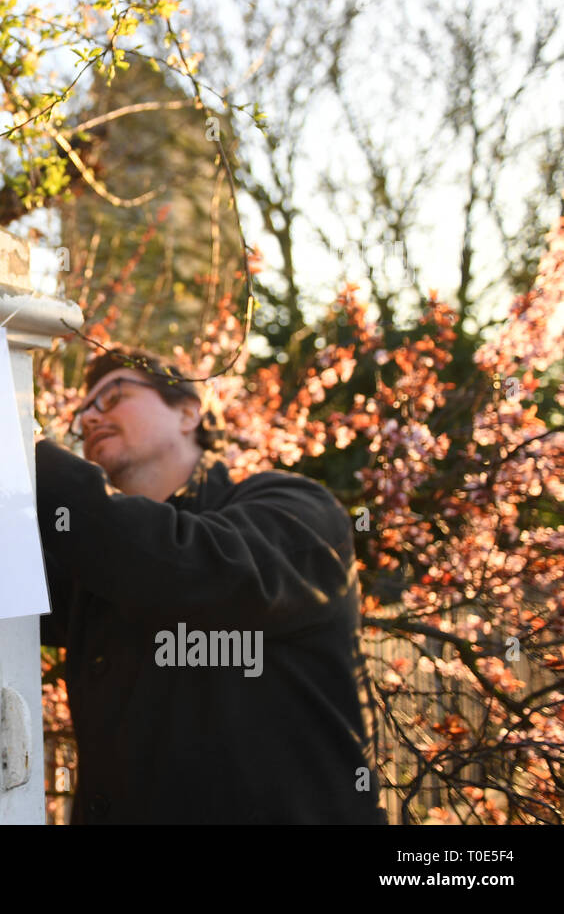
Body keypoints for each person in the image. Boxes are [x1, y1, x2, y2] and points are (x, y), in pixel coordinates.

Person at [35, 345, 384, 824]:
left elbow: (188, 567)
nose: (90, 418)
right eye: (83, 411)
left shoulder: (297, 508)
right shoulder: (93, 566)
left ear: (188, 411)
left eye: (113, 396)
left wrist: (30, 457)